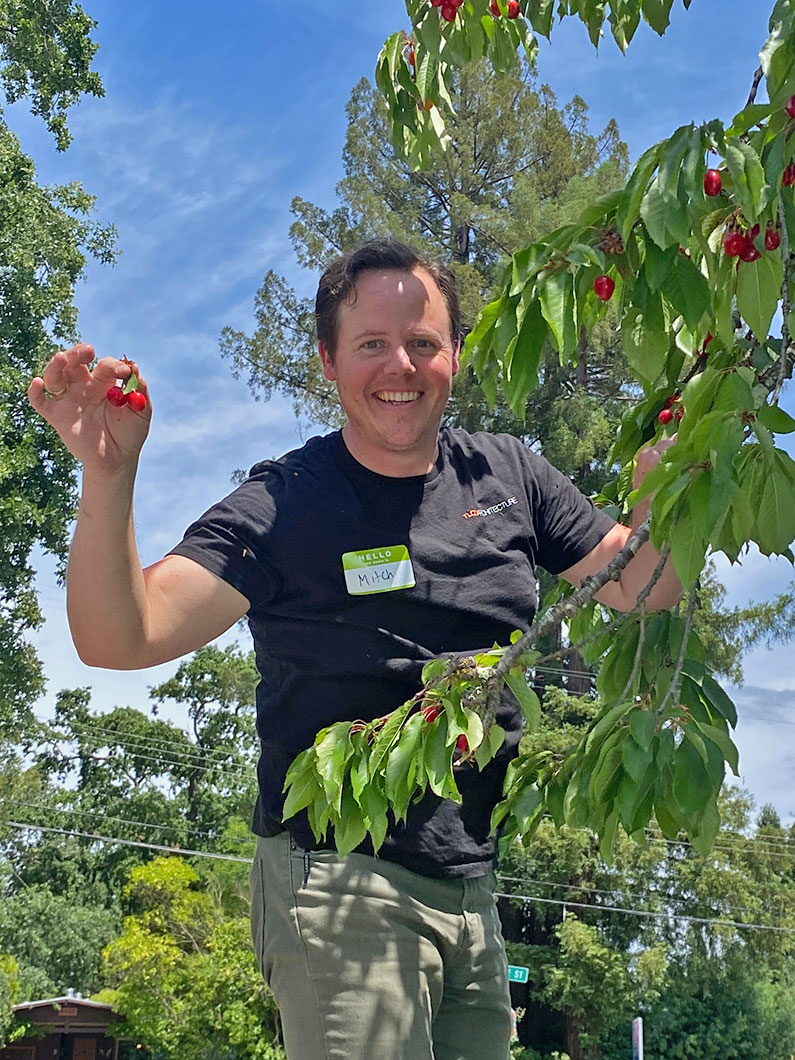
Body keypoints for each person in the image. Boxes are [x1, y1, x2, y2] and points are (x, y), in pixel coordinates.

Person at [28, 239, 681, 1060]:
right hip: (338, 875)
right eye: (371, 344)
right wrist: (107, 476)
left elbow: (642, 587)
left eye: (422, 342)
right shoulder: (286, 503)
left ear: (454, 354)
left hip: (471, 882)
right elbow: (122, 637)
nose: (399, 365)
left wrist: (666, 495)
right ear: (328, 361)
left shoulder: (509, 474)